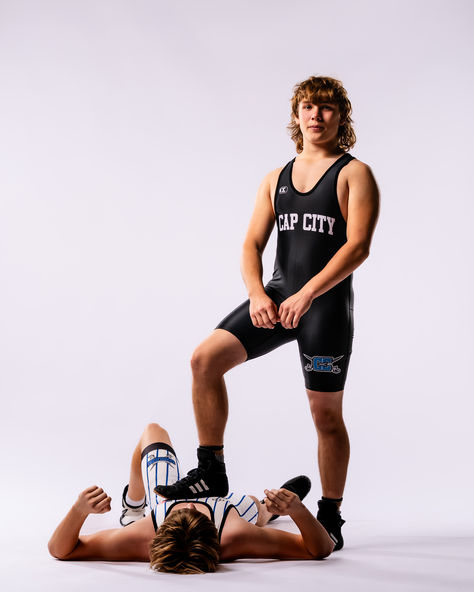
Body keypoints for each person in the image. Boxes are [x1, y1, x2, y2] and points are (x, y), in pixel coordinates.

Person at [154, 75, 380, 551]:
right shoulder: (275, 178)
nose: (316, 115)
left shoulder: (354, 174)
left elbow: (358, 247)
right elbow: (251, 244)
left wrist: (310, 294)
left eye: (326, 108)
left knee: (325, 417)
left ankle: (331, 515)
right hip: (277, 299)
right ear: (296, 117)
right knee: (204, 360)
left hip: (325, 310)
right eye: (307, 108)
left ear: (342, 116)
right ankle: (210, 469)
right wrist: (259, 295)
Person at [48, 423, 334, 573]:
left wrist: (79, 510)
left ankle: (134, 505)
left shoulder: (140, 538)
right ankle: (273, 511)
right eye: (193, 508)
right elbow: (319, 549)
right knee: (253, 507)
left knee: (153, 432)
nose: (189, 501)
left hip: (162, 505)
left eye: (182, 508)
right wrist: (298, 511)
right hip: (226, 512)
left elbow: (61, 550)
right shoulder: (236, 535)